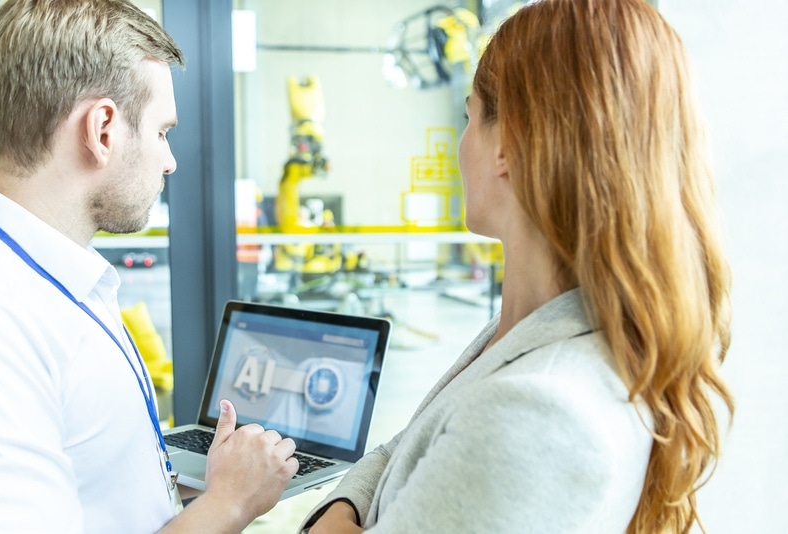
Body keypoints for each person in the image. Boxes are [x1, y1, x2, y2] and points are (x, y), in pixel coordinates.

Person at [0, 1, 298, 532]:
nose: (170, 160)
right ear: (102, 129)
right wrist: (231, 502)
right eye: (161, 132)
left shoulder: (58, 282)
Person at [301, 0, 733, 532]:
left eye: (469, 117)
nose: (462, 145)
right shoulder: (531, 331)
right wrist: (345, 511)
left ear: (508, 142)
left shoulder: (538, 408)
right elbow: (403, 449)